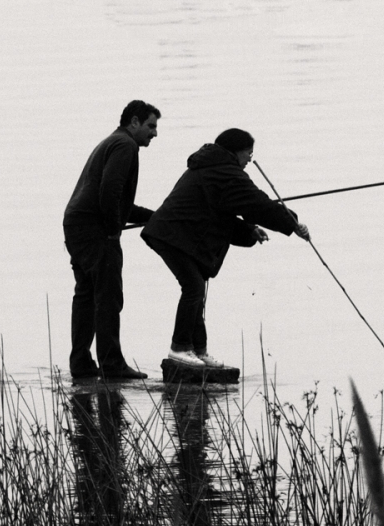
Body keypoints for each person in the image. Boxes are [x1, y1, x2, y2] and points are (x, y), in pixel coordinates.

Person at [141, 128, 310, 368]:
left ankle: (198, 351)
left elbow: (221, 211)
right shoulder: (225, 171)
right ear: (236, 151)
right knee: (194, 287)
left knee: (196, 286)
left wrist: (249, 231)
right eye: (248, 153)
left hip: (176, 234)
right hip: (171, 235)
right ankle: (179, 348)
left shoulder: (211, 166)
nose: (250, 159)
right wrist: (291, 223)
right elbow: (256, 202)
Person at [64, 100, 161, 379]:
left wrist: (153, 216)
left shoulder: (112, 141)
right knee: (107, 297)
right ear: (134, 122)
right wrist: (111, 230)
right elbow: (110, 191)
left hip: (75, 223)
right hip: (95, 230)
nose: (154, 133)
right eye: (151, 126)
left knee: (85, 295)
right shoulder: (125, 146)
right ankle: (112, 365)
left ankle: (81, 364)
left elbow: (117, 202)